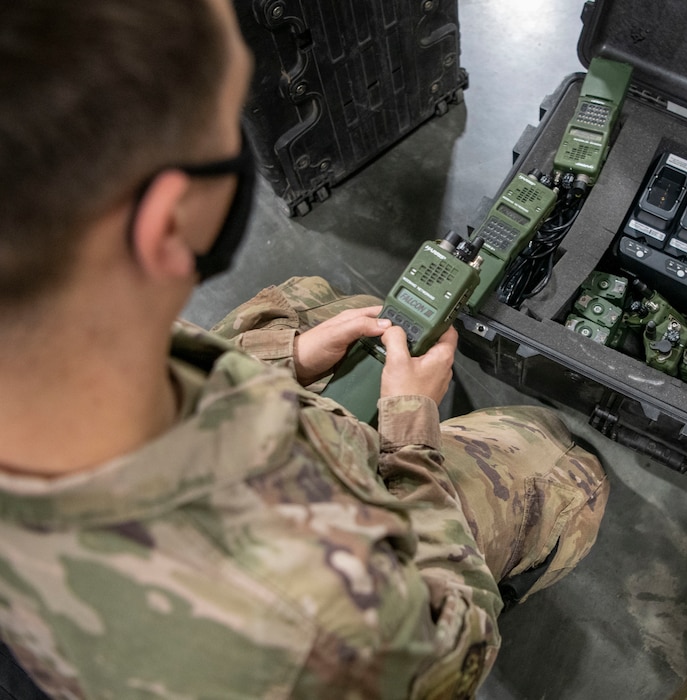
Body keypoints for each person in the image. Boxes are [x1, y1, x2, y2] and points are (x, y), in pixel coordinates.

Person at [0, 0, 609, 697]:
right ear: (165, 223)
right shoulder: (313, 617)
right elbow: (451, 649)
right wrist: (411, 431)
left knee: (337, 310)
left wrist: (282, 359)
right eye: (222, 133)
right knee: (559, 462)